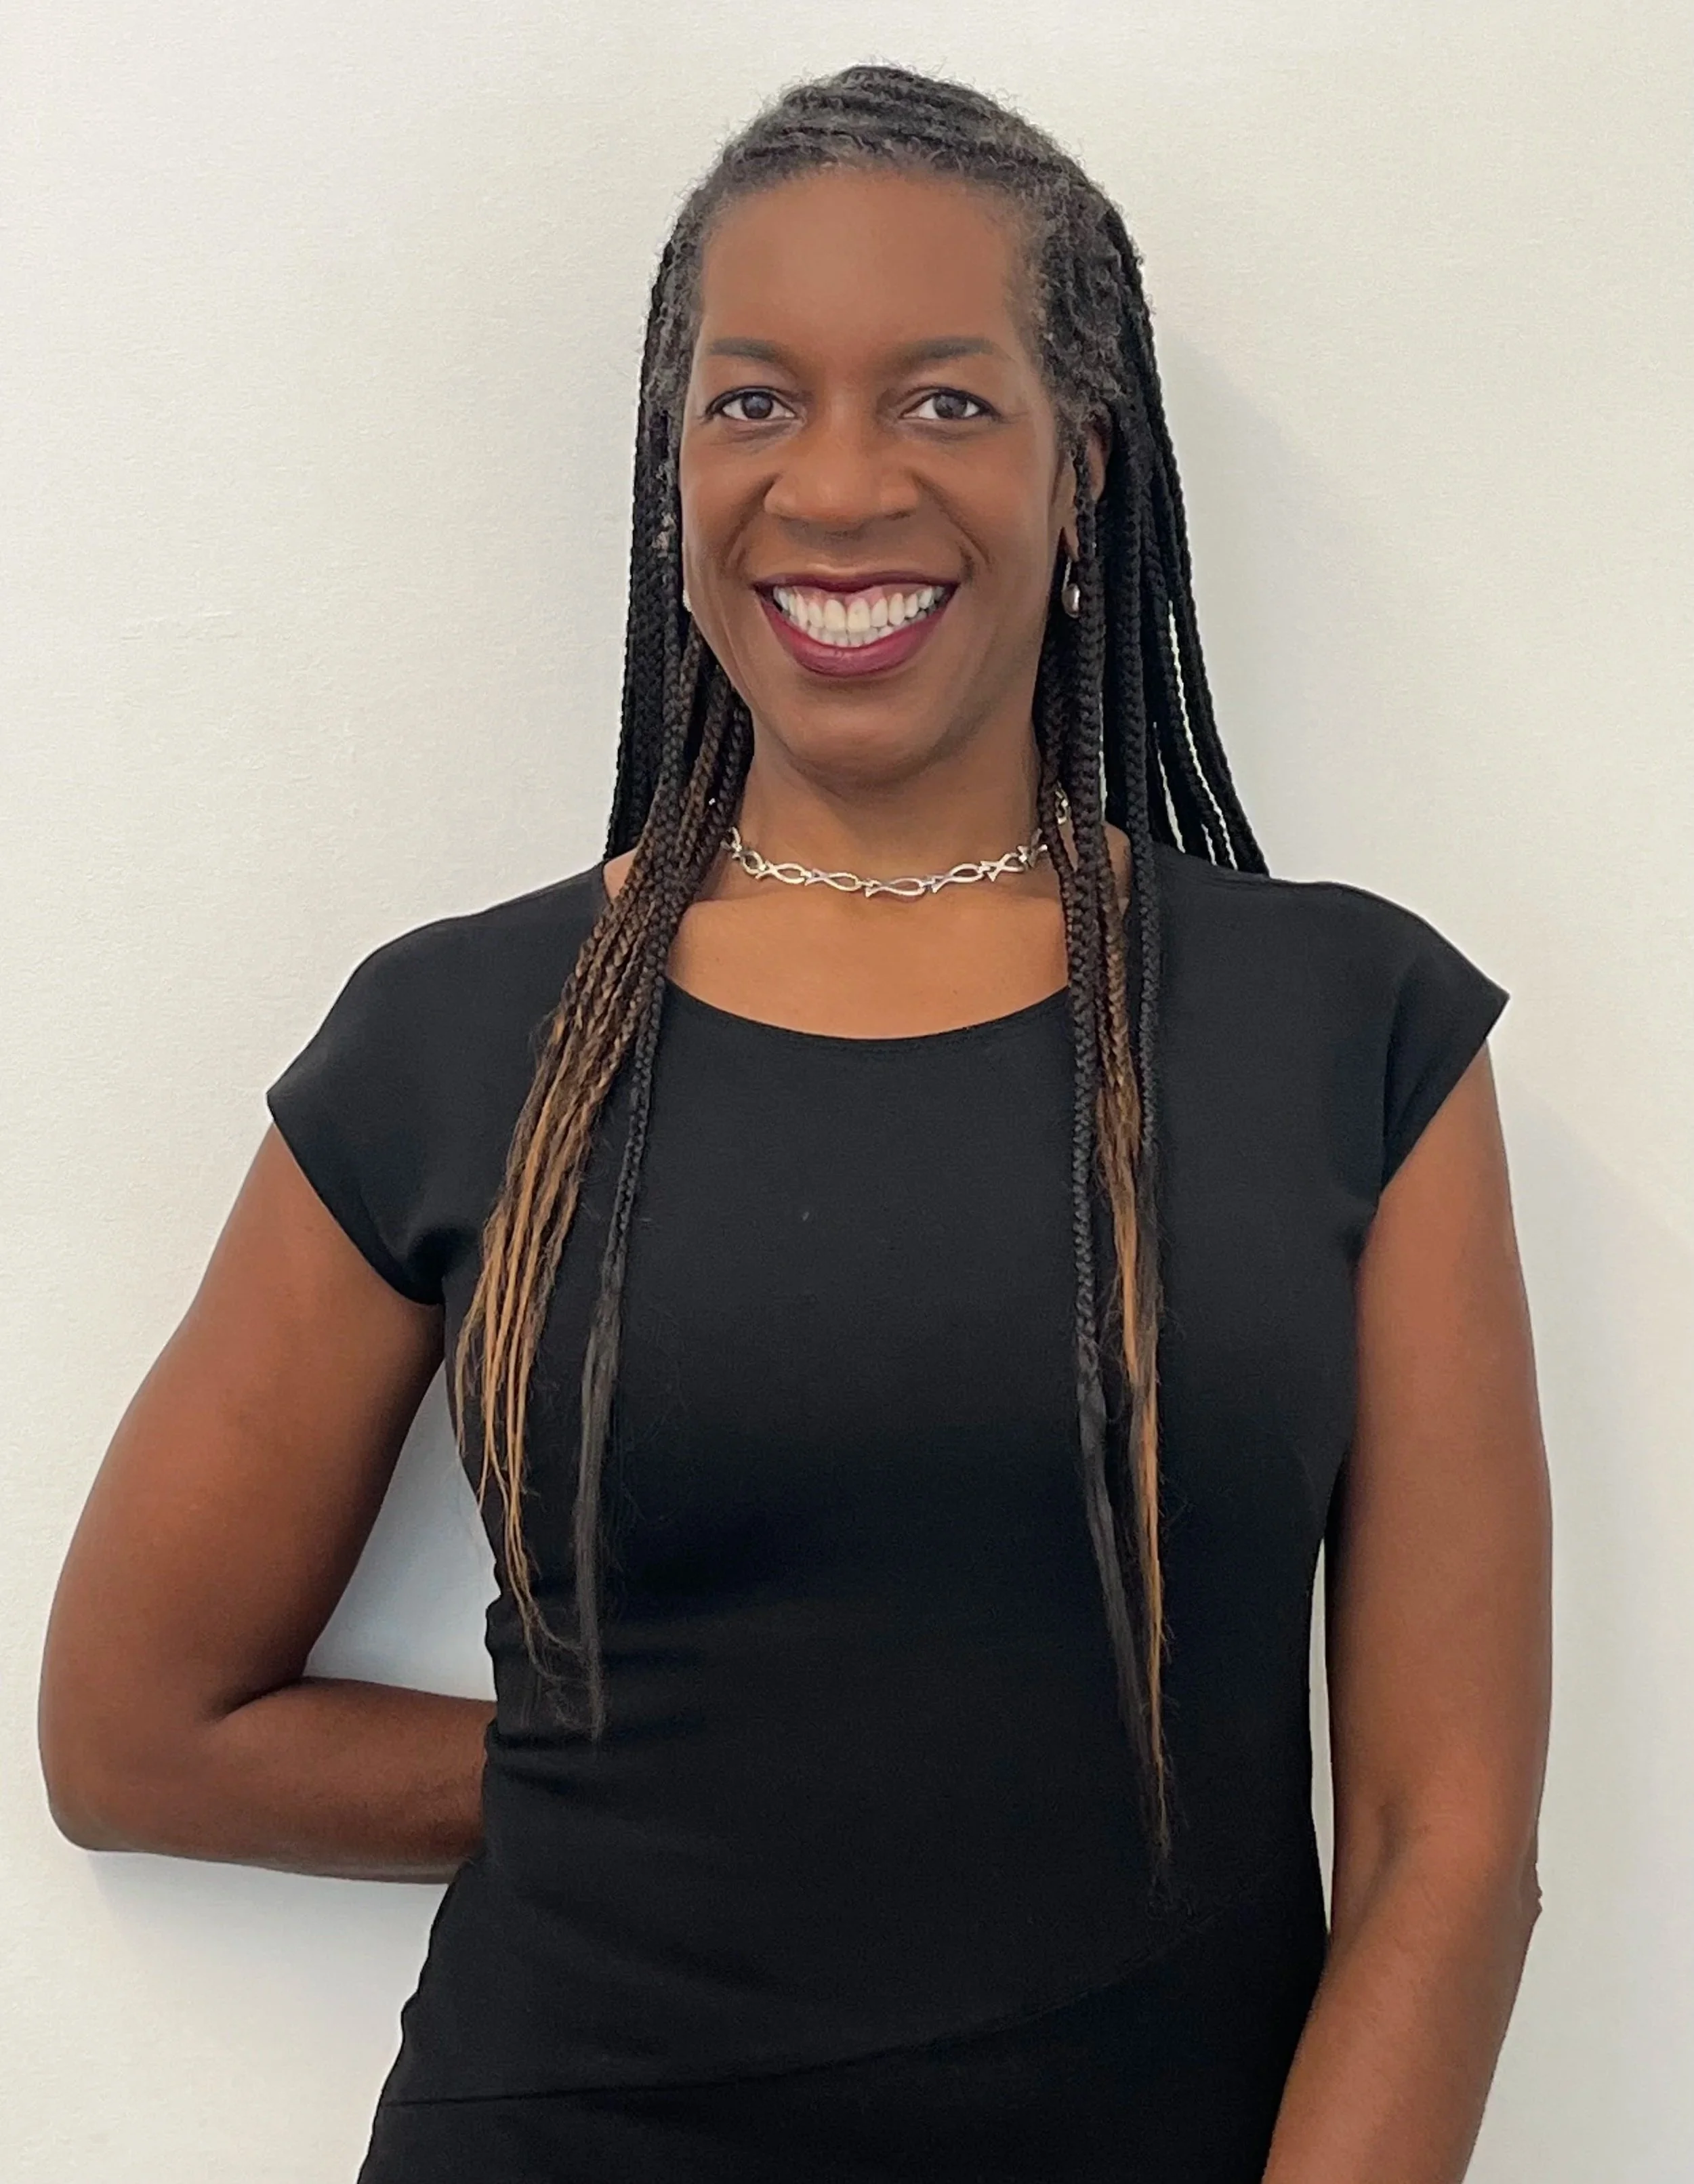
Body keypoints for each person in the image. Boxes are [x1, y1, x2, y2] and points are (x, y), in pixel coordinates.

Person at [38, 63, 1552, 2184]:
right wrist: (691, 1771)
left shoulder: (1350, 1029)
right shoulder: (459, 1034)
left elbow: (1441, 1844)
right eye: (753, 403)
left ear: (1080, 466)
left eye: (943, 401)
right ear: (672, 479)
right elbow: (138, 1738)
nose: (837, 487)